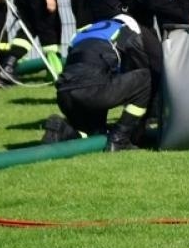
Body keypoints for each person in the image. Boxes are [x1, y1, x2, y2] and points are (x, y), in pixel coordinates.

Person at [44, 14, 153, 151]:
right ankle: (120, 138)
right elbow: (139, 65)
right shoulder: (125, 31)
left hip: (64, 95)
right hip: (92, 91)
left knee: (93, 133)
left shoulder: (81, 34)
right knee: (145, 78)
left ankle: (61, 130)